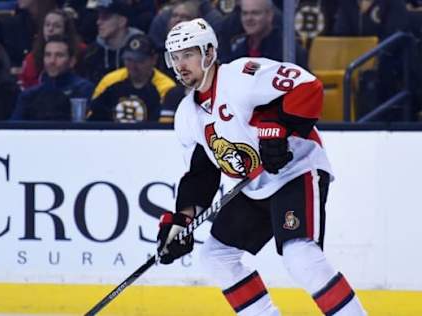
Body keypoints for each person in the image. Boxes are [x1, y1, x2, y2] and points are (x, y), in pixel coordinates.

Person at [156, 18, 367, 316]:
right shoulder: (186, 115)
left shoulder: (242, 76)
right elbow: (201, 172)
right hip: (254, 186)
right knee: (216, 256)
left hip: (296, 170)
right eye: (174, 57)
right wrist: (182, 220)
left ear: (209, 53)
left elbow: (307, 86)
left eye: (188, 54)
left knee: (299, 255)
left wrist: (278, 127)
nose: (180, 64)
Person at [89, 33, 176, 122]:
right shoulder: (110, 80)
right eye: (129, 59)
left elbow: (164, 124)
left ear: (154, 59)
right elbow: (92, 113)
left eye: (139, 60)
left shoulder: (166, 87)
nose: (133, 65)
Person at [11, 34, 94, 120]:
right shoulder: (29, 95)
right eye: (48, 55)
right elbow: (13, 130)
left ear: (72, 62)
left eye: (59, 55)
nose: (52, 61)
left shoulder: (84, 90)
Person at [220, 0, 307, 68]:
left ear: (270, 15)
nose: (249, 18)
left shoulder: (288, 50)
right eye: (245, 13)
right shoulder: (237, 48)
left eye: (255, 13)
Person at [19, 8, 86, 89]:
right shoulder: (31, 58)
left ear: (66, 30)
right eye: (47, 25)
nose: (50, 29)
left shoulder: (82, 51)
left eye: (57, 26)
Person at [80, 0, 142, 84]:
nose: (98, 22)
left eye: (105, 18)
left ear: (122, 21)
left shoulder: (141, 51)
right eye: (98, 17)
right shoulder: (92, 52)